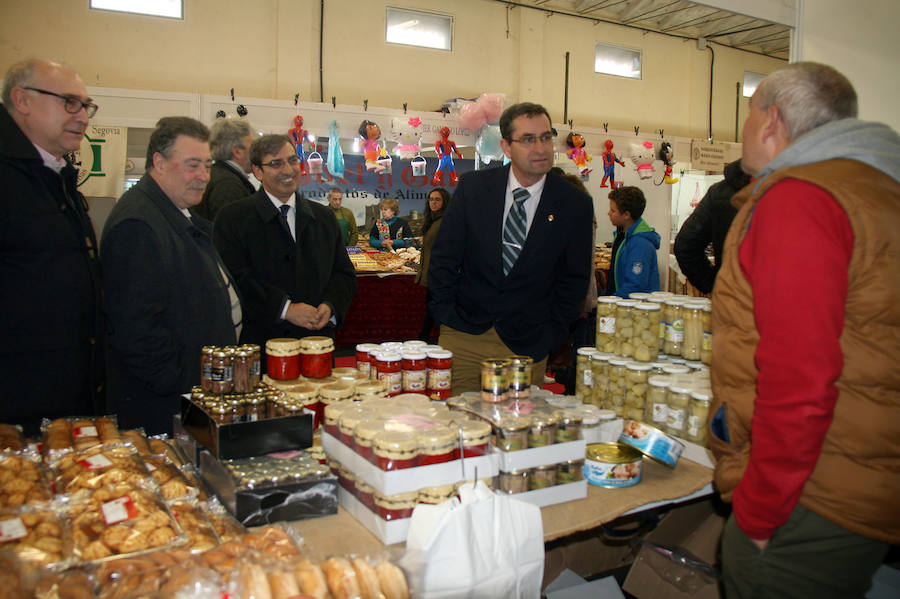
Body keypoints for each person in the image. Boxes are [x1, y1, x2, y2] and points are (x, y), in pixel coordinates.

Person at [708, 62, 900, 598]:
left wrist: (761, 511)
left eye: (746, 115)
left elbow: (799, 374)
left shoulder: (800, 198)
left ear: (770, 122)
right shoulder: (879, 189)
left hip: (811, 489)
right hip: (863, 472)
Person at [428, 102, 593, 392]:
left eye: (546, 137)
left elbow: (574, 279)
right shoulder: (474, 188)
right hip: (464, 334)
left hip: (527, 343)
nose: (541, 148)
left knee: (515, 433)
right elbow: (444, 257)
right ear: (506, 146)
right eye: (528, 139)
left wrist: (551, 334)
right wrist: (446, 313)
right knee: (455, 424)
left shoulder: (574, 203)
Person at [101, 117, 241, 435]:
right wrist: (187, 384)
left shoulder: (176, 213)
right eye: (192, 165)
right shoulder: (138, 224)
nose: (203, 177)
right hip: (166, 407)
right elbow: (138, 331)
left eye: (207, 165)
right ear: (159, 163)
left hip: (196, 393)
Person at [0, 59, 104, 434]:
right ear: (22, 100)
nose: (82, 117)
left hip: (67, 394)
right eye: (69, 102)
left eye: (86, 107)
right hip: (18, 405)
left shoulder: (55, 173)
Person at [213, 134, 356, 352]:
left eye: (292, 161)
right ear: (258, 171)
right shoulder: (233, 219)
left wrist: (330, 306)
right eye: (276, 164)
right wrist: (285, 309)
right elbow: (235, 279)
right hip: (261, 347)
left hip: (317, 346)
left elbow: (343, 273)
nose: (288, 170)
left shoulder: (324, 218)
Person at [673, 159, 750, 294]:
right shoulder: (790, 188)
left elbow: (685, 245)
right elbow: (686, 245)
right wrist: (713, 284)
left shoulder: (720, 192)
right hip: (781, 300)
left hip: (731, 298)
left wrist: (715, 285)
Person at [192, 117, 256, 221]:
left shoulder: (214, 175)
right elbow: (230, 231)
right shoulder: (229, 185)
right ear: (237, 152)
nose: (257, 153)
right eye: (253, 147)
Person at [604, 186, 660, 297]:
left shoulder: (640, 244)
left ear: (626, 215)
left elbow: (636, 284)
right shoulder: (622, 236)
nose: (609, 213)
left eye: (613, 210)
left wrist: (611, 301)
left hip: (635, 307)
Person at [415, 187, 451, 343]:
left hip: (439, 274)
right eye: (431, 199)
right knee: (431, 306)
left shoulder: (445, 221)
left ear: (444, 202)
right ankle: (426, 337)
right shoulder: (433, 221)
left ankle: (428, 337)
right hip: (431, 272)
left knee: (434, 307)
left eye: (437, 199)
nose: (433, 203)